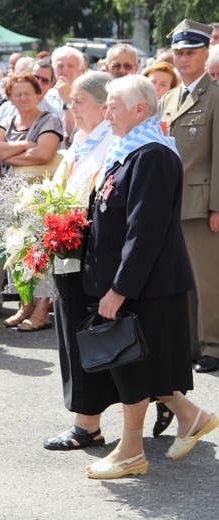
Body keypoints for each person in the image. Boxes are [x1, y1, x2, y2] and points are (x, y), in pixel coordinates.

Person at [82, 74, 218, 479]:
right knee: (144, 364)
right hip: (138, 281)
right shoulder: (130, 149)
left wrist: (120, 288)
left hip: (147, 285)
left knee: (135, 367)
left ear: (139, 109)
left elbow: (145, 231)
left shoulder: (152, 154)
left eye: (112, 105)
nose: (105, 112)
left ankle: (130, 452)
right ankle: (191, 417)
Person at [43, 71, 120, 450]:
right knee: (74, 331)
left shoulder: (112, 142)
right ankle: (167, 398)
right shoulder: (82, 137)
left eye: (78, 101)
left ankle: (87, 425)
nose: (71, 107)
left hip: (86, 248)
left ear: (104, 105)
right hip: (66, 244)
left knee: (86, 334)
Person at [160, 20, 219, 374]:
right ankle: (191, 344)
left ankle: (213, 344)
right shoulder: (168, 98)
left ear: (205, 54)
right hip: (172, 204)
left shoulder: (215, 97)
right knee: (181, 280)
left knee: (207, 280)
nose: (182, 59)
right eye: (178, 53)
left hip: (201, 204)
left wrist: (217, 206)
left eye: (190, 53)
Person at [0, 73, 63, 330]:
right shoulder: (7, 120)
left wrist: (10, 152)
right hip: (10, 194)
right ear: (9, 98)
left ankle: (41, 311)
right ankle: (25, 306)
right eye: (16, 94)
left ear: (38, 94)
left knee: (40, 253)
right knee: (18, 252)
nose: (22, 98)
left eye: (27, 93)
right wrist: (26, 147)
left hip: (38, 197)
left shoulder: (49, 119)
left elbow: (44, 152)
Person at [45, 46, 85, 147]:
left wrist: (67, 100)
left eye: (71, 66)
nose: (65, 70)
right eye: (60, 66)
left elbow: (74, 137)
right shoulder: (45, 97)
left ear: (81, 70)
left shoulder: (90, 97)